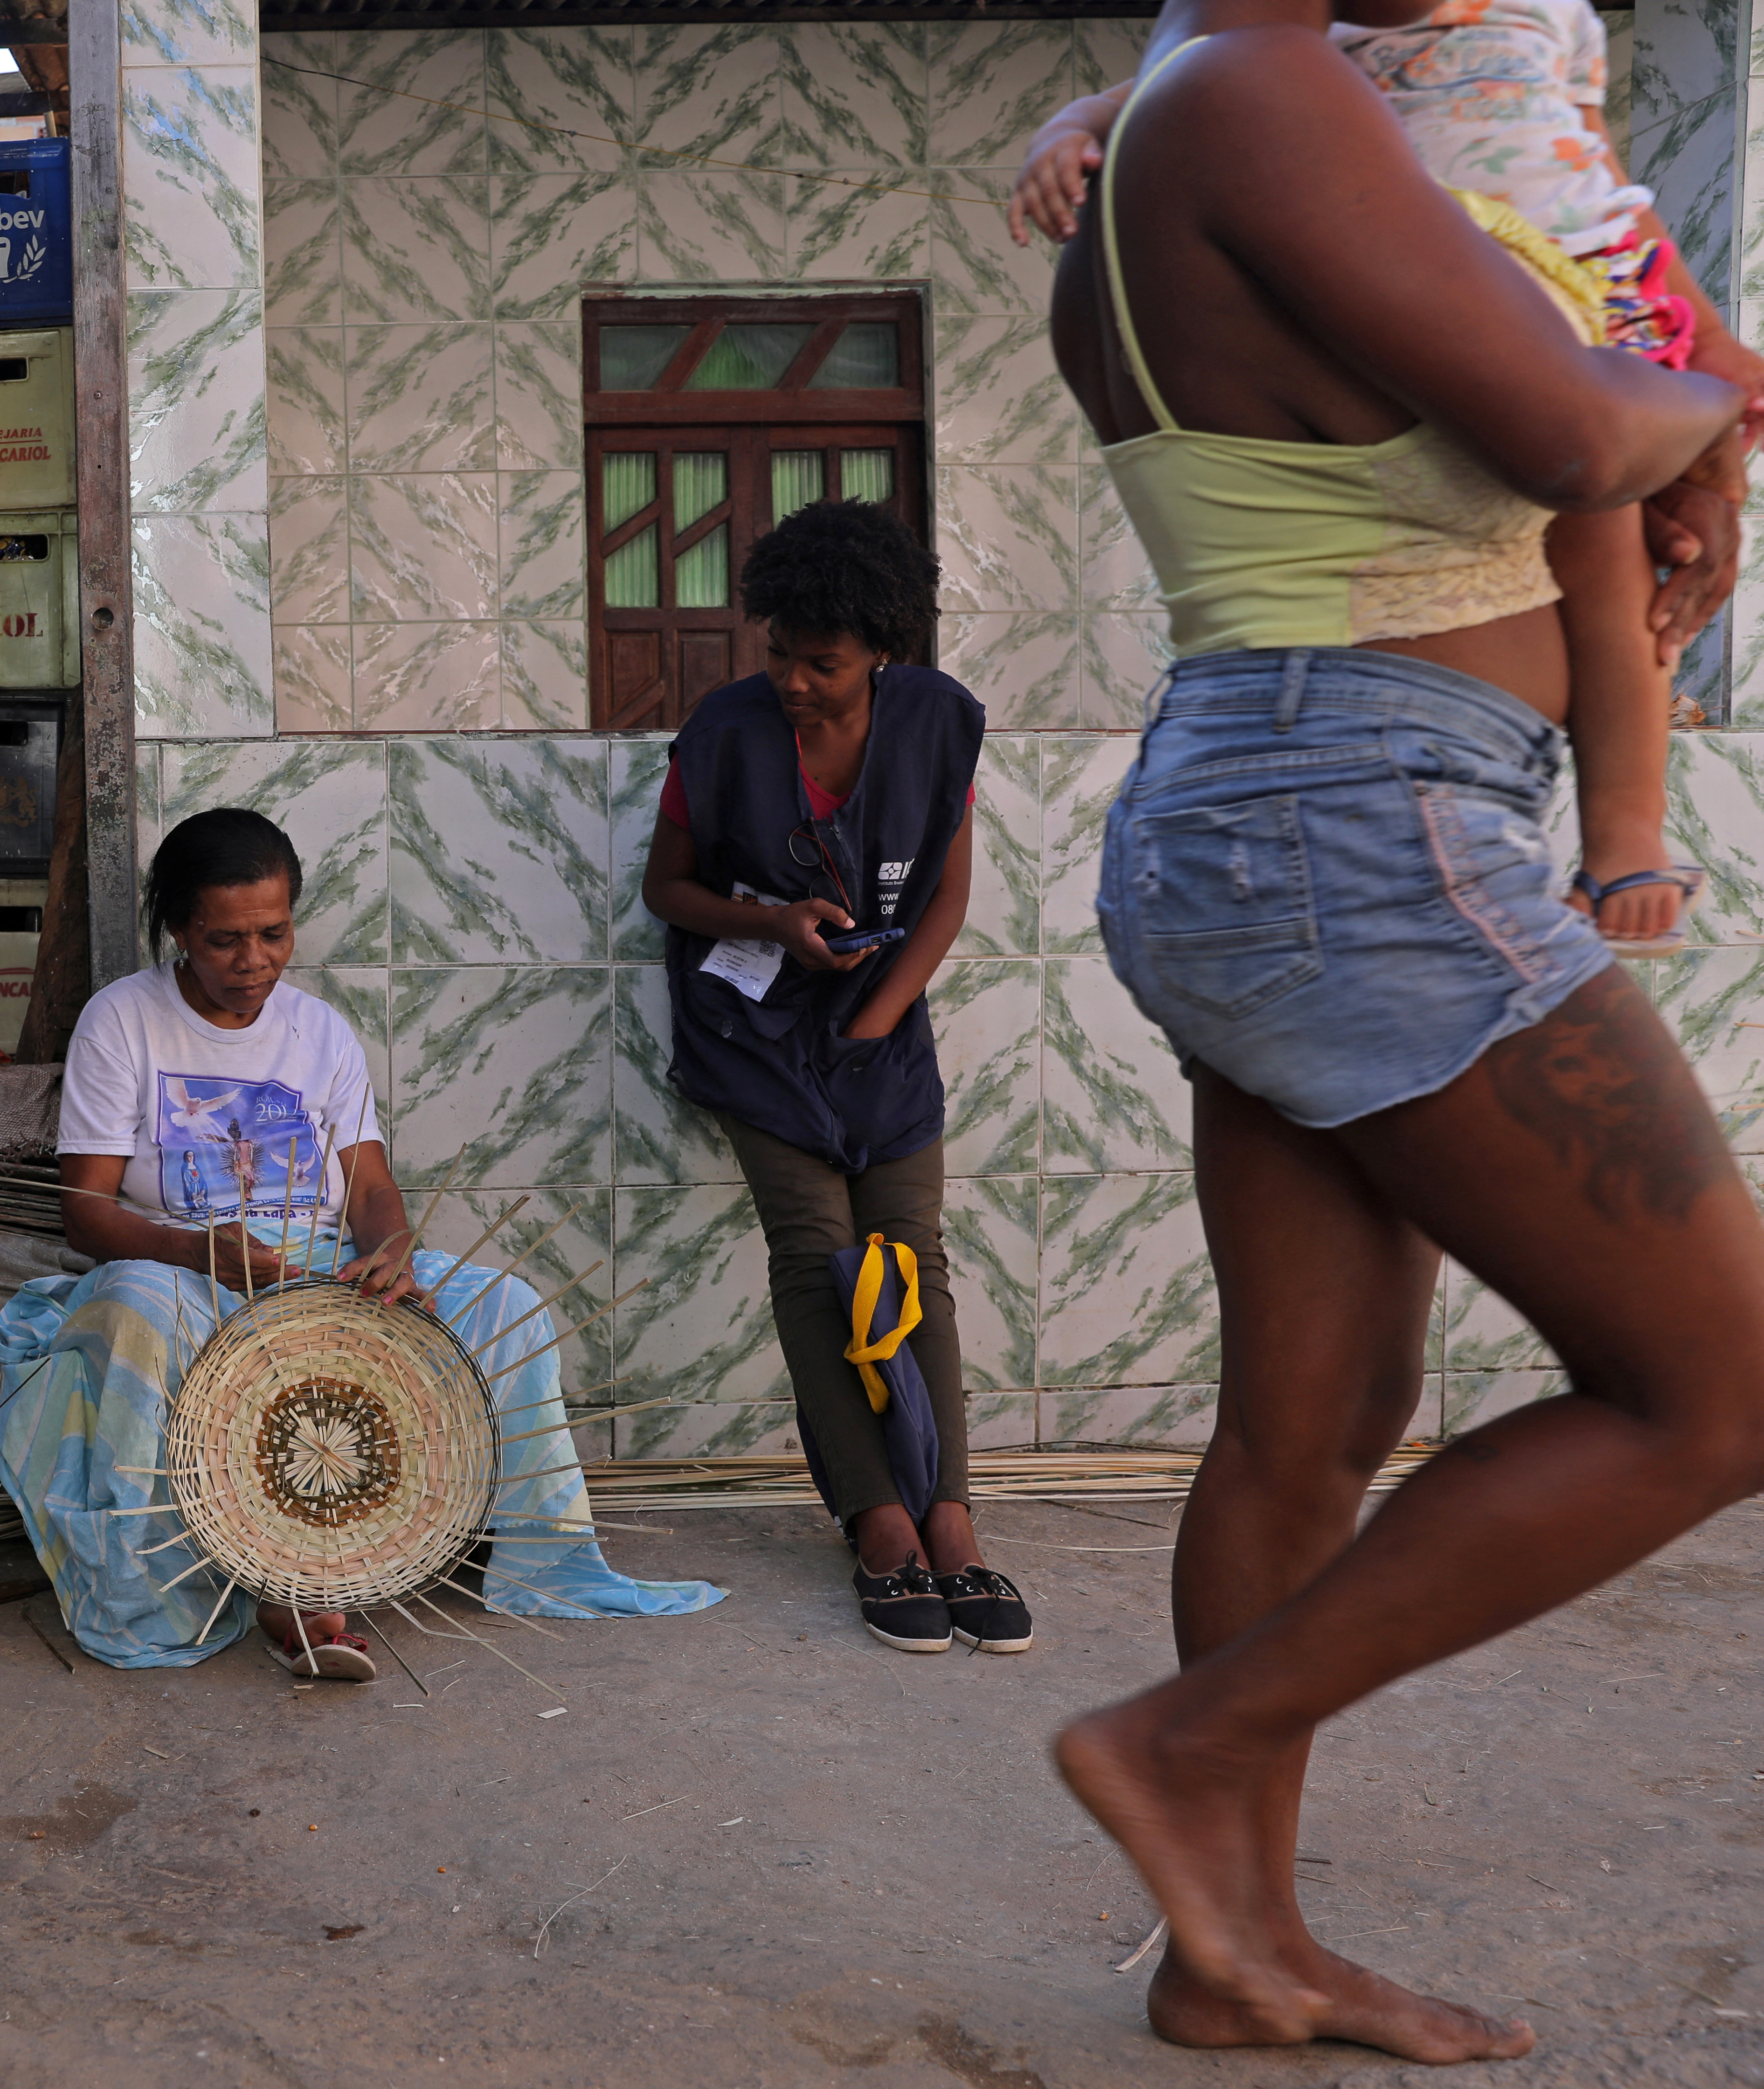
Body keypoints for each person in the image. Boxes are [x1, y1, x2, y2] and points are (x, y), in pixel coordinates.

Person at [1039, 4, 1755, 2062]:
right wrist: (1714, 398)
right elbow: (1578, 436)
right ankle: (1188, 1745)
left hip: (1285, 802)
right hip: (1356, 817)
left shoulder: (1201, 112)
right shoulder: (1255, 93)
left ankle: (1231, 1950)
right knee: (1723, 1386)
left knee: (1315, 1419)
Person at [1005, 0, 1764, 955]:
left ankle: (1626, 832)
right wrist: (1068, 126)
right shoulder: (1273, 59)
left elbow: (1603, 173)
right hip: (1453, 296)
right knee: (1605, 526)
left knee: (1627, 578)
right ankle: (1624, 843)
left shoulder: (1551, 16)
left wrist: (1705, 345)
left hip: (1574, 295)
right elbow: (1157, 82)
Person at [0, 808, 720, 1679]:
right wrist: (196, 1254)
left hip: (317, 1264)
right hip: (181, 1265)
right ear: (181, 931)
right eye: (225, 940)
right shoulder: (123, 1020)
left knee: (506, 1306)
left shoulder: (321, 1031)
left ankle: (507, 1560)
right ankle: (220, 1588)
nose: (254, 960)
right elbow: (86, 1210)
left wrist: (392, 1255)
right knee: (135, 1313)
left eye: (273, 933)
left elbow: (371, 1190)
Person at [636, 500, 1028, 1657]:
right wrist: (773, 921)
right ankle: (879, 1522)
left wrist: (877, 1017)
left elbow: (948, 894)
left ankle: (951, 1515)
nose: (794, 682)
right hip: (753, 1029)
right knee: (816, 1256)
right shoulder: (721, 734)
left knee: (911, 1255)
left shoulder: (938, 725)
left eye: (824, 663)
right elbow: (667, 889)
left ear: (883, 652)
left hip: (880, 1020)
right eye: (780, 654)